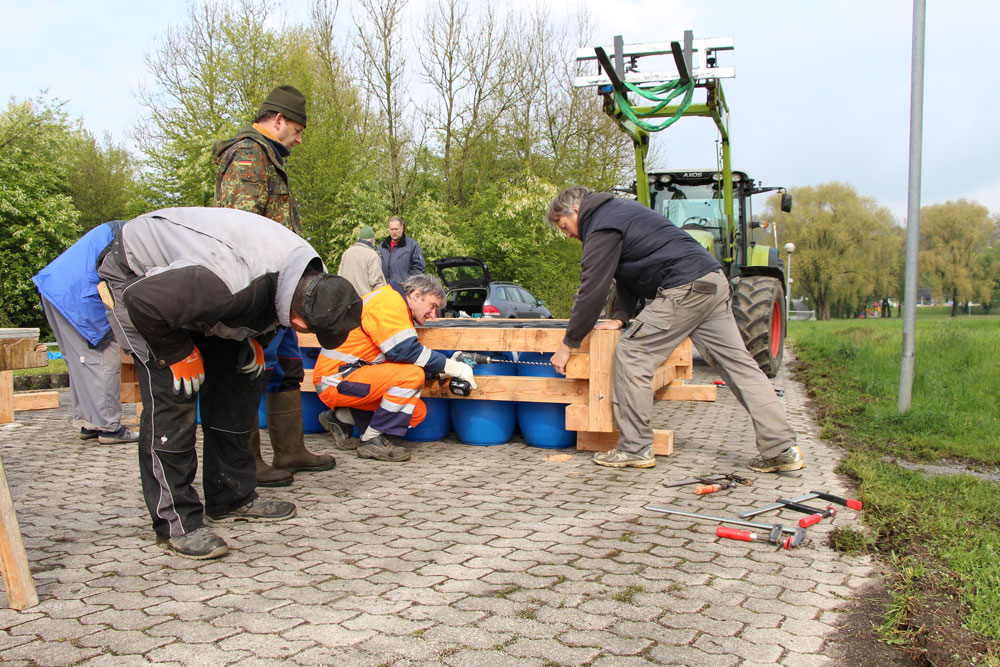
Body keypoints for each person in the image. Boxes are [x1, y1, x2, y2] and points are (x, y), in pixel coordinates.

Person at [96, 207, 362, 560]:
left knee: (240, 382)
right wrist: (177, 353)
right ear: (299, 321)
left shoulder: (312, 278)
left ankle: (230, 496)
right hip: (140, 282)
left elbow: (268, 299)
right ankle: (177, 523)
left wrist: (252, 336)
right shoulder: (226, 283)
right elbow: (144, 302)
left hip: (199, 286)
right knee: (175, 395)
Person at [547, 187, 804, 473]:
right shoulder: (621, 211)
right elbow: (626, 273)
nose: (568, 234)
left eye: (564, 226)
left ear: (574, 211)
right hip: (713, 282)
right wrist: (620, 316)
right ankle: (781, 448)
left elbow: (591, 289)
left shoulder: (601, 224)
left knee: (632, 354)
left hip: (685, 287)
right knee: (740, 367)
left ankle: (635, 448)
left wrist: (568, 344)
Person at [213, 84, 334, 488]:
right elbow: (239, 229)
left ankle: (290, 451)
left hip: (282, 287)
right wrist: (255, 294)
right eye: (297, 130)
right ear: (277, 119)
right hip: (258, 288)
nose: (300, 140)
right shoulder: (248, 155)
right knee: (251, 368)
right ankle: (246, 462)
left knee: (287, 367)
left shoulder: (270, 158)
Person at [313, 274, 476, 462]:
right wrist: (452, 366)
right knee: (411, 376)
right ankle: (371, 441)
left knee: (415, 412)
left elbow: (399, 359)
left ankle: (340, 419)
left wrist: (442, 369)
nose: (433, 315)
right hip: (336, 380)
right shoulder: (389, 302)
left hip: (350, 377)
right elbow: (405, 351)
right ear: (416, 295)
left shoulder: (395, 304)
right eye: (432, 306)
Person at [31, 221, 137, 445]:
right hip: (78, 296)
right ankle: (109, 428)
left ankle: (90, 422)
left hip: (57, 288)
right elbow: (123, 287)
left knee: (80, 362)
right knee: (104, 359)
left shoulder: (124, 229)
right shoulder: (132, 238)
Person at [338, 225, 386, 298]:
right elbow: (376, 283)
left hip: (348, 301)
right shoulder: (372, 255)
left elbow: (340, 278)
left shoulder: (346, 253)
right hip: (366, 302)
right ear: (372, 240)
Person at [377, 216, 425, 283]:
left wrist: (406, 282)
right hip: (385, 288)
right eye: (392, 229)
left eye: (396, 229)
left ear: (402, 228)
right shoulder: (381, 247)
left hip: (404, 289)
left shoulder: (412, 245)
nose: (394, 232)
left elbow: (419, 268)